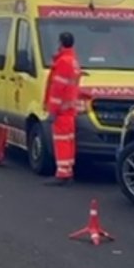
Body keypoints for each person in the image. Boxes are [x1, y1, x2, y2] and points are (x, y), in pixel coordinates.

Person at [44, 31, 81, 186]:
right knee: (69, 141)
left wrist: (52, 110)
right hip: (70, 109)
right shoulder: (73, 61)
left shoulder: (63, 62)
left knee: (62, 142)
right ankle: (68, 171)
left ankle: (62, 173)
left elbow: (57, 89)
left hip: (61, 111)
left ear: (60, 43)